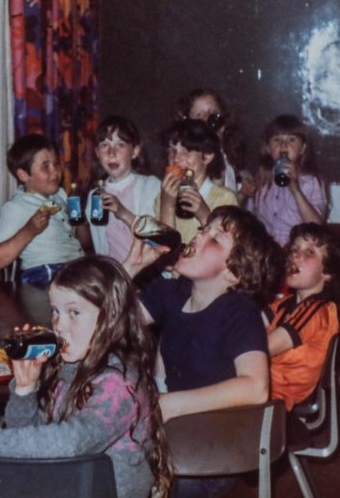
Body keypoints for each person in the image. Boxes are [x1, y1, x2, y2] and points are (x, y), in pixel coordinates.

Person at [0, 255, 171, 498]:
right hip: (64, 483)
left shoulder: (119, 381)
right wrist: (25, 388)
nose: (59, 325)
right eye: (55, 311)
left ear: (111, 317)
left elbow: (69, 442)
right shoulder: (71, 367)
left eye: (73, 312)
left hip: (90, 489)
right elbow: (32, 445)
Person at [124, 205, 284, 498]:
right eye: (202, 229)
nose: (198, 236)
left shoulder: (240, 313)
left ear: (233, 273)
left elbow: (255, 388)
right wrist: (130, 268)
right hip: (175, 432)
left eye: (215, 238)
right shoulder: (172, 292)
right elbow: (109, 323)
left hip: (219, 442)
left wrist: (171, 405)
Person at [267, 223, 340, 411]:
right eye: (294, 249)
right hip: (261, 388)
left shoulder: (317, 311)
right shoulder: (284, 304)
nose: (295, 255)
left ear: (328, 272)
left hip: (273, 401)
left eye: (310, 252)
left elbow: (261, 349)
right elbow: (248, 322)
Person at [0, 134, 87, 286]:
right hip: (44, 275)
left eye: (56, 164)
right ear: (23, 175)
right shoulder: (16, 207)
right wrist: (29, 230)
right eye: (45, 166)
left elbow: (84, 243)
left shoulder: (60, 195)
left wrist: (79, 217)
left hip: (75, 269)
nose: (55, 172)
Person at [244, 115, 328, 245]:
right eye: (276, 140)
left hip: (296, 251)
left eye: (291, 140)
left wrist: (295, 190)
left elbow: (316, 228)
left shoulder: (312, 182)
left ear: (303, 148)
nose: (283, 145)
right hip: (267, 251)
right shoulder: (261, 181)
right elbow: (249, 223)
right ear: (268, 148)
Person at [87, 115, 162, 262]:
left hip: (147, 272)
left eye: (120, 145)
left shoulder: (151, 186)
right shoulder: (94, 196)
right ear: (97, 153)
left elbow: (158, 238)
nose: (111, 153)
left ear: (135, 151)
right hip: (114, 276)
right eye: (104, 145)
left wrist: (122, 212)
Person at [159, 120, 238, 245]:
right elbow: (164, 250)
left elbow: (227, 249)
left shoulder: (225, 198)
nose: (176, 159)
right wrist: (167, 206)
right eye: (172, 151)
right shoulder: (162, 198)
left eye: (186, 151)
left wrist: (204, 214)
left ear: (207, 156)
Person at [173, 88, 247, 192]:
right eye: (199, 115)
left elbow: (225, 202)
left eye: (213, 112)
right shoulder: (196, 161)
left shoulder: (225, 155)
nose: (208, 118)